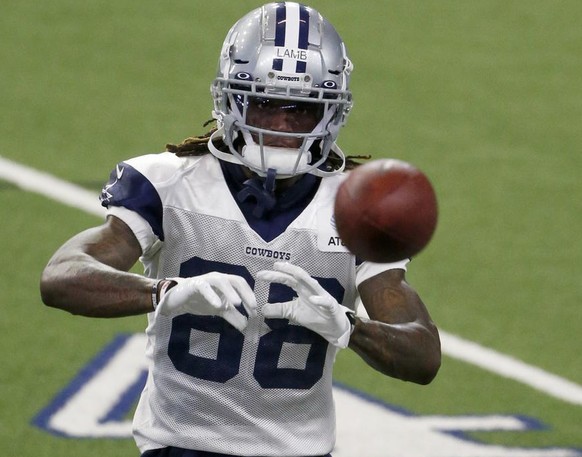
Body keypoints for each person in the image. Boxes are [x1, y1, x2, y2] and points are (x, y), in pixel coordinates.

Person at [40, 2, 441, 457]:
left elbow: (423, 355)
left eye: (303, 109)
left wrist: (349, 327)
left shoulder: (357, 207)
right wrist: (164, 292)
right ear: (231, 99)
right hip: (178, 448)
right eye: (265, 104)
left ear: (331, 113)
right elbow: (61, 277)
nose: (283, 126)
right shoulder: (170, 183)